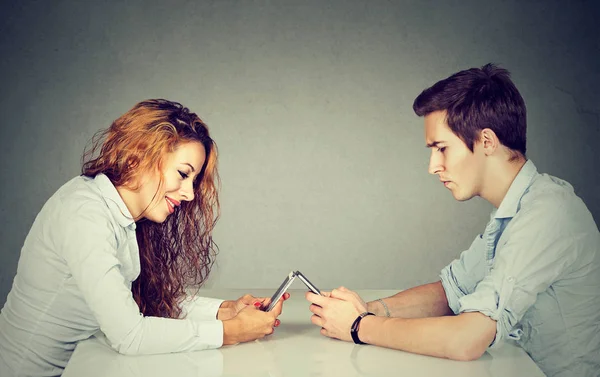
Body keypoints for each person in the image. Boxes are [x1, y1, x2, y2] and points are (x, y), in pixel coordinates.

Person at [305, 64, 600, 377]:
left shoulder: (548, 215)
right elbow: (451, 291)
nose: (433, 167)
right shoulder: (516, 210)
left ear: (487, 141)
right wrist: (369, 309)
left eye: (441, 148)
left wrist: (358, 326)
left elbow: (466, 340)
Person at [0, 99, 288, 377]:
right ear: (139, 157)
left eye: (194, 180)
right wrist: (230, 332)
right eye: (183, 174)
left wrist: (225, 311)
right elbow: (130, 335)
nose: (189, 193)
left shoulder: (121, 215)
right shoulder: (84, 215)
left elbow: (144, 303)